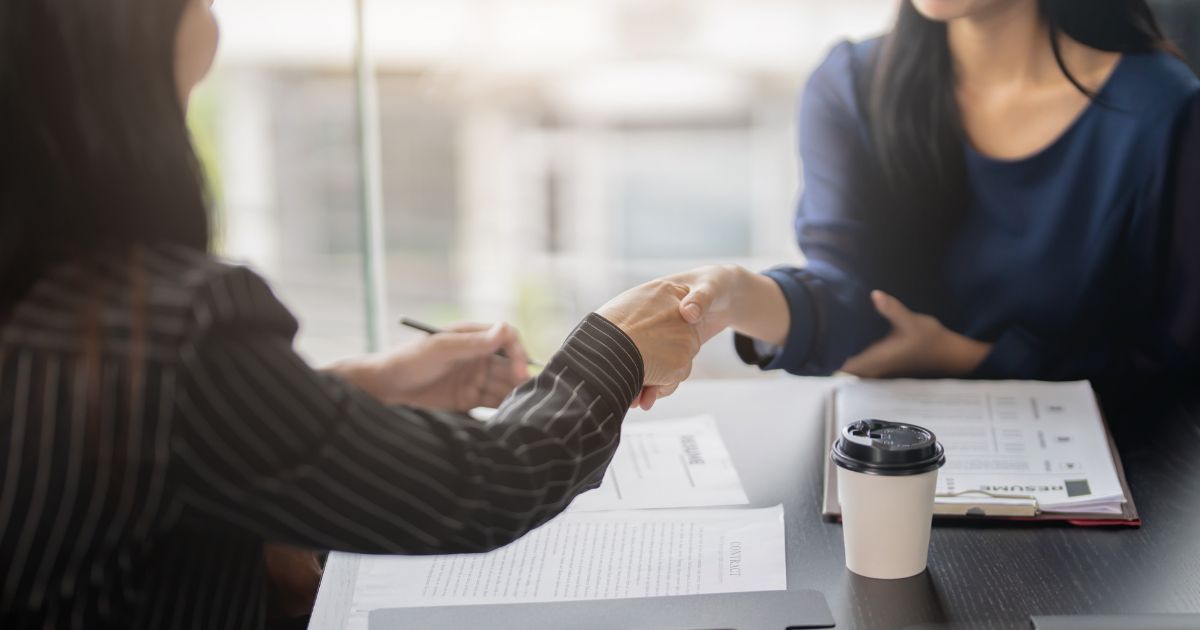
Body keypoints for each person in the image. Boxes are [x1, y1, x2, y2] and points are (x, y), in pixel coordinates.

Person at [0, 0, 701, 627]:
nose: (213, 26)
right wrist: (618, 344)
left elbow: (126, 445)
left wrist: (366, 388)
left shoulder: (49, 296)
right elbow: (487, 485)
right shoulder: (167, 325)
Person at [655, 0, 1200, 399]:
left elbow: (1174, 361)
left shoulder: (1162, 108)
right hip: (895, 465)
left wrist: (968, 360)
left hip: (1123, 489)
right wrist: (734, 295)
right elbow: (846, 297)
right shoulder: (850, 85)